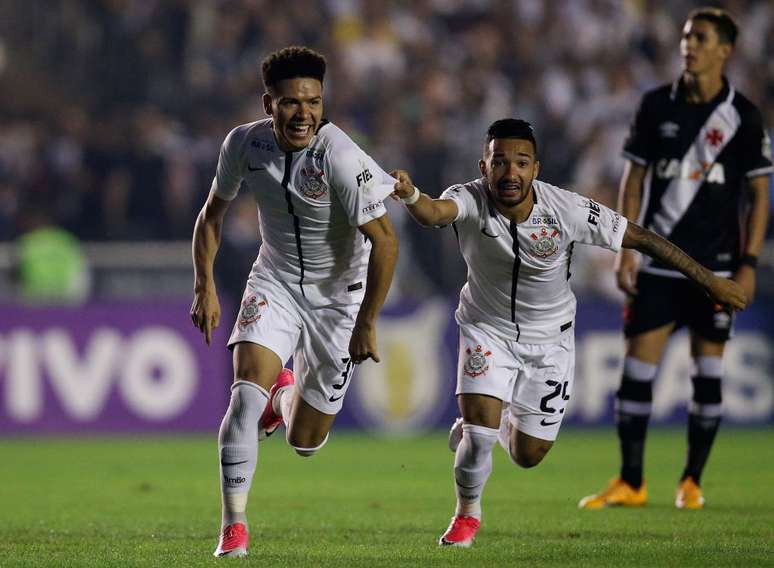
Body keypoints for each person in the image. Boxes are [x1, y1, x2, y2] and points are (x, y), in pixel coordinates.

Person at [390, 117, 747, 547]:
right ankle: (467, 516)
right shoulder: (467, 198)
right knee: (480, 439)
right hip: (486, 328)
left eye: (521, 162)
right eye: (499, 162)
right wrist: (410, 193)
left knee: (528, 455)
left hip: (551, 340)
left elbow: (643, 239)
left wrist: (709, 280)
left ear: (535, 169)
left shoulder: (567, 210)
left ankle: (496, 421)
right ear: (483, 167)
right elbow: (433, 212)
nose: (510, 172)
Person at [190, 46, 399, 558]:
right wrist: (205, 286)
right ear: (269, 103)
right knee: (242, 400)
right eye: (290, 102)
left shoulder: (341, 157)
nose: (303, 113)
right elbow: (211, 216)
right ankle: (233, 528)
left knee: (306, 441)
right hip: (275, 281)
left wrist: (367, 321)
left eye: (313, 102)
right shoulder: (244, 144)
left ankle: (286, 398)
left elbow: (387, 242)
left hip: (339, 300)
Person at [579, 8, 771, 511]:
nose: (689, 44)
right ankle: (631, 481)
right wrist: (623, 246)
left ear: (724, 49)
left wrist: (747, 262)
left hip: (717, 268)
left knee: (708, 372)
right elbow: (634, 179)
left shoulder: (743, 117)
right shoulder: (654, 106)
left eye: (700, 38)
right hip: (659, 263)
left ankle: (691, 481)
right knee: (636, 372)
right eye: (686, 36)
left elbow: (758, 194)